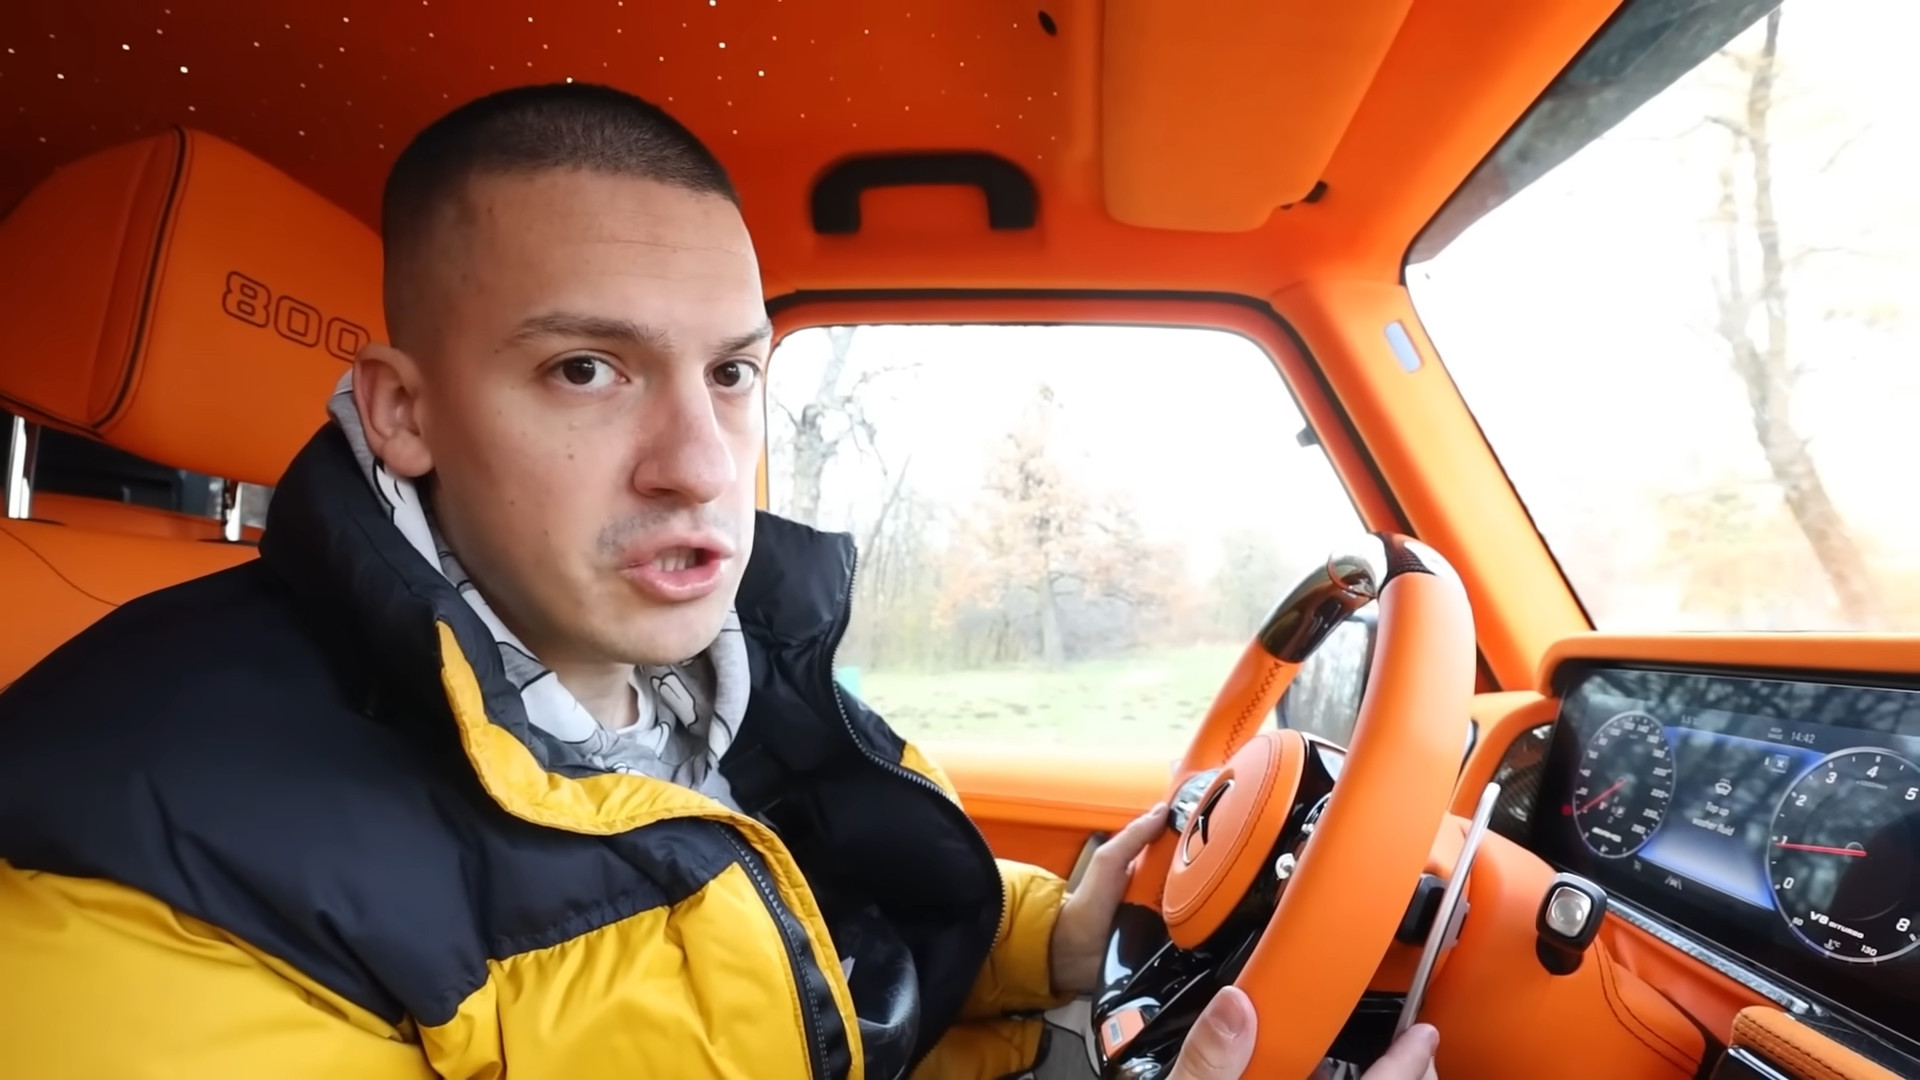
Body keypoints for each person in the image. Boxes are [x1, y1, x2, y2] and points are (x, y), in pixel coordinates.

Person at [0, 83, 1438, 1080]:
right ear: (404, 412)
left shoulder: (725, 658)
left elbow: (806, 926)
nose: (699, 465)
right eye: (588, 369)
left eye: (734, 372)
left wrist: (1046, 943)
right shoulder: (143, 865)